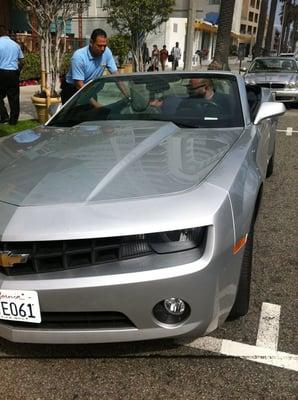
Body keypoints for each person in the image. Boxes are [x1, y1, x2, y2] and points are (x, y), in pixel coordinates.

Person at [61, 28, 118, 104]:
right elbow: (79, 85)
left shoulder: (106, 52)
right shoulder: (79, 57)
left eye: (104, 45)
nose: (102, 49)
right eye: (99, 46)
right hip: (72, 90)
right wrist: (97, 106)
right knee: (76, 114)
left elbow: (116, 75)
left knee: (93, 113)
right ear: (91, 42)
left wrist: (128, 96)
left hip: (89, 88)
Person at [0, 25, 24, 125]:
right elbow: (21, 60)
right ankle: (13, 120)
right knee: (14, 97)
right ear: (7, 33)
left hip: (1, 72)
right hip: (13, 72)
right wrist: (18, 71)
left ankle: (4, 116)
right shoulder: (16, 45)